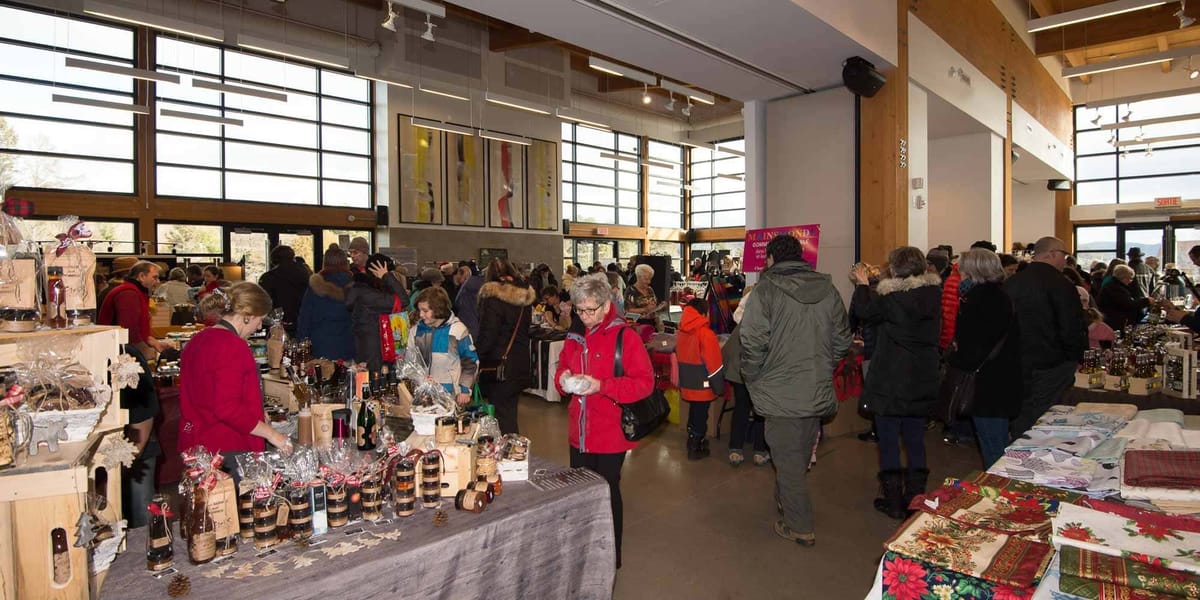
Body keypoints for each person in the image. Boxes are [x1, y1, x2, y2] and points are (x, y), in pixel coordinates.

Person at [741, 234, 850, 546]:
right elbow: (842, 339)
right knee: (798, 456)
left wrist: (754, 376)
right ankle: (786, 501)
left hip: (780, 392)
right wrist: (821, 365)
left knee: (788, 463)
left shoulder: (766, 290)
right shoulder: (828, 289)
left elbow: (751, 341)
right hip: (815, 389)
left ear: (772, 258)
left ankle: (799, 526)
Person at [554, 273, 654, 568]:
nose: (584, 316)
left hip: (611, 432)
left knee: (607, 490)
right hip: (579, 431)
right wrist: (564, 381)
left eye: (590, 310)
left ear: (606, 304)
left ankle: (611, 556)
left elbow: (644, 384)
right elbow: (561, 372)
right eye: (579, 310)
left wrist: (601, 386)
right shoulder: (574, 336)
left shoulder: (626, 336)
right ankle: (583, 550)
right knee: (580, 491)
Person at [851, 247, 941, 520]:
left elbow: (864, 311)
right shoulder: (933, 295)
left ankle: (893, 501)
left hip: (891, 379)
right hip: (922, 376)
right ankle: (915, 498)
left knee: (889, 440)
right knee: (915, 440)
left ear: (895, 269)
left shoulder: (891, 299)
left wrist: (863, 285)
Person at [179, 283, 293, 472]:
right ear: (248, 316)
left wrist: (256, 411)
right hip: (227, 446)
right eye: (260, 320)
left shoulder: (198, 339)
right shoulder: (232, 346)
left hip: (196, 443)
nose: (258, 327)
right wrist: (273, 436)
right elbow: (227, 409)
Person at [98, 260, 175, 527]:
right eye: (154, 276)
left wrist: (153, 341)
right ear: (141, 276)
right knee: (144, 456)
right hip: (127, 370)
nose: (157, 280)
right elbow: (129, 334)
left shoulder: (129, 293)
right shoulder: (129, 295)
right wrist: (145, 355)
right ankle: (143, 531)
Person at [1003, 237, 1088, 436]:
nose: (1065, 261)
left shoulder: (1013, 282)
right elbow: (1071, 325)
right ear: (1051, 254)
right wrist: (1075, 356)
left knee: (1023, 409)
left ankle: (1017, 451)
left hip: (1018, 359)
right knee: (1046, 412)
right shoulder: (1062, 284)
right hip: (1053, 361)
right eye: (1064, 255)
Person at [949, 249, 1022, 469]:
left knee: (994, 451)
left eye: (961, 268)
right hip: (999, 380)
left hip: (988, 384)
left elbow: (974, 348)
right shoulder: (998, 295)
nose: (959, 272)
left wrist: (955, 354)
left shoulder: (980, 299)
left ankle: (998, 496)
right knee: (995, 444)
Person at [475, 258, 535, 434]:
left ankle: (505, 455)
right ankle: (511, 452)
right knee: (509, 412)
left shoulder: (492, 298)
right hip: (519, 361)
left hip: (499, 365)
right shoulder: (525, 297)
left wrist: (477, 357)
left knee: (501, 416)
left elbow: (488, 334)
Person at [406, 287, 479, 406]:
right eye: (419, 310)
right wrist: (420, 379)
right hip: (422, 395)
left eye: (425, 311)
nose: (421, 315)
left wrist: (465, 390)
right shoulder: (415, 332)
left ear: (438, 309)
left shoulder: (458, 330)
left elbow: (470, 361)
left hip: (452, 396)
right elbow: (409, 363)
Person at [722, 285, 768, 466]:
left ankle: (735, 449)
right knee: (761, 412)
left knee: (741, 408)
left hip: (738, 374)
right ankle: (760, 451)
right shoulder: (767, 325)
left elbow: (727, 351)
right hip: (760, 374)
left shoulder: (741, 326)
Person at [675, 297, 725, 460]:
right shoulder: (706, 333)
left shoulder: (682, 331)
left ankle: (693, 439)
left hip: (688, 380)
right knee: (701, 415)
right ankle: (695, 446)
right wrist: (719, 387)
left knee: (694, 412)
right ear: (703, 313)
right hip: (703, 381)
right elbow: (714, 364)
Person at [346, 254, 408, 372]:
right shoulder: (369, 295)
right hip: (374, 351)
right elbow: (404, 300)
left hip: (370, 347)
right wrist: (386, 276)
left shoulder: (364, 290)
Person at [297, 246, 355, 361]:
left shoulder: (315, 286)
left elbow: (305, 319)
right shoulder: (356, 286)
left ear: (325, 263)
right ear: (346, 263)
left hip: (321, 344)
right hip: (351, 343)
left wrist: (301, 344)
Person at [258, 245, 310, 333]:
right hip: (303, 322)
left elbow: (262, 303)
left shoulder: (268, 278)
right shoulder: (306, 275)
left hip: (277, 324)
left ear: (274, 260)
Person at [1098, 264, 1150, 331]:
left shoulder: (1113, 285)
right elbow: (1128, 304)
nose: (1130, 281)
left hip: (1114, 321)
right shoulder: (1115, 288)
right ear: (1124, 277)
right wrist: (1146, 301)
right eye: (1130, 278)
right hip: (1115, 323)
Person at [625, 263, 666, 327]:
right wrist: (645, 309)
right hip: (637, 325)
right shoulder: (630, 291)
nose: (649, 282)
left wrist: (659, 306)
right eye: (646, 279)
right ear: (638, 277)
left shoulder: (650, 289)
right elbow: (628, 311)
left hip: (652, 323)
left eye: (650, 279)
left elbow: (653, 305)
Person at [453, 265, 483, 341]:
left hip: (463, 326)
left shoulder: (464, 289)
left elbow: (457, 303)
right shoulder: (483, 288)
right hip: (477, 327)